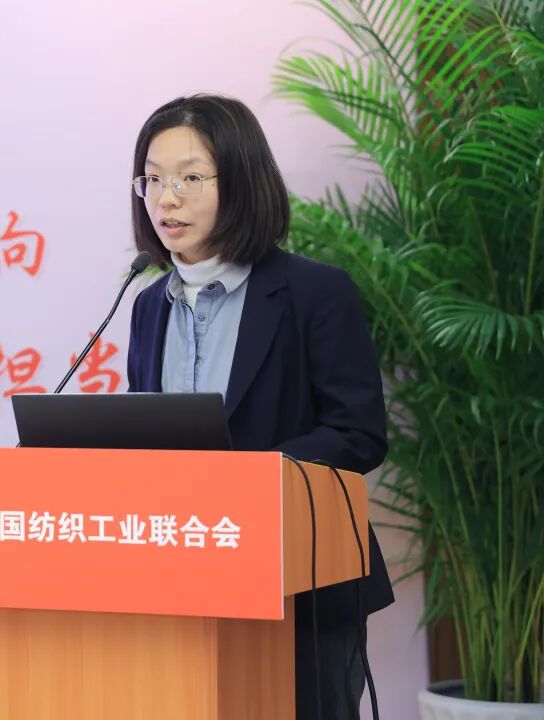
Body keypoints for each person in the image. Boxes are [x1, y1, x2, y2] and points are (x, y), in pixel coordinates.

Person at [125, 94, 394, 719]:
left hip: (302, 585)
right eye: (153, 180)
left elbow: (358, 434)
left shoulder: (314, 293)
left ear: (242, 181)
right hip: (183, 578)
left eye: (190, 178)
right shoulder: (147, 306)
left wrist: (248, 480)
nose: (167, 200)